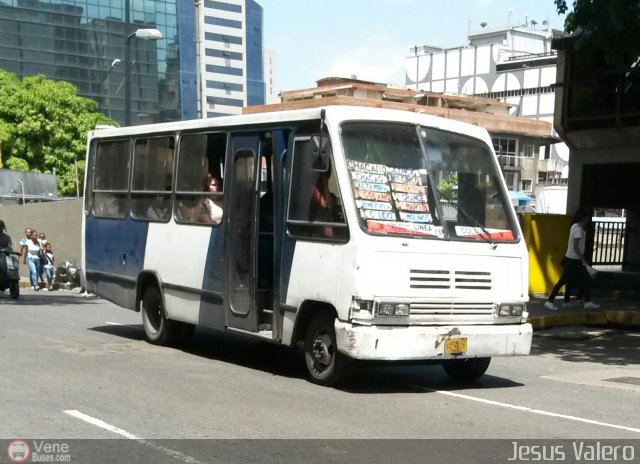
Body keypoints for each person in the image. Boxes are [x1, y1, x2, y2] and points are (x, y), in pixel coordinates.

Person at [544, 208, 600, 310]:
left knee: (583, 279)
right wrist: (583, 259)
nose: (588, 220)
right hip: (573, 260)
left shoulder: (577, 228)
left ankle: (587, 301)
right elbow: (575, 246)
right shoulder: (577, 229)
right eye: (587, 218)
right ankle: (550, 300)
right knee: (564, 280)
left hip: (573, 259)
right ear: (583, 218)